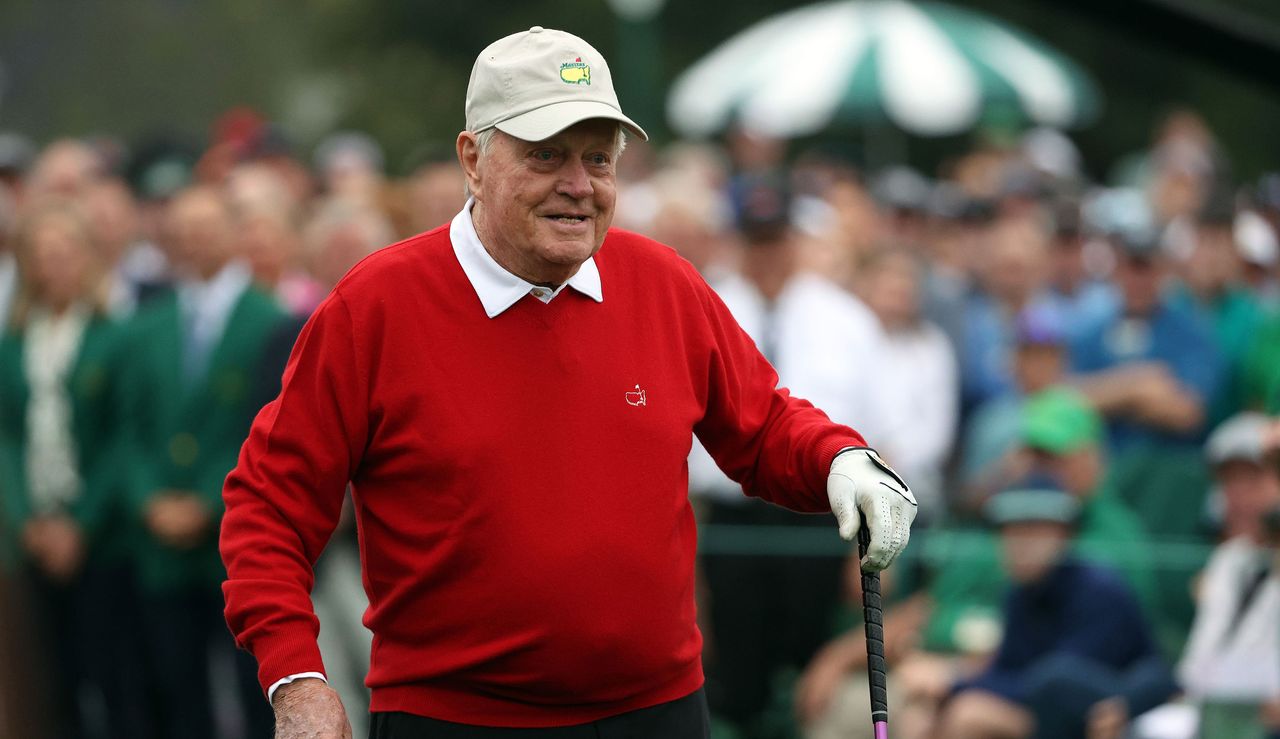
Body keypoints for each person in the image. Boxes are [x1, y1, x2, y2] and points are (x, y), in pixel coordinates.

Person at [220, 26, 917, 739]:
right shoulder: (376, 306)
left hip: (659, 713)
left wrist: (839, 458)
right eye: (546, 154)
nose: (578, 185)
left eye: (597, 158)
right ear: (473, 159)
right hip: (454, 721)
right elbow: (268, 505)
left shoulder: (663, 282)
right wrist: (295, 676)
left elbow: (762, 425)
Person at [686, 177, 889, 736]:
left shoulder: (845, 319)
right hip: (730, 517)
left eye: (776, 239)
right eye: (756, 240)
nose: (767, 254)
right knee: (736, 671)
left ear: (795, 240)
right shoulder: (705, 304)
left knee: (811, 665)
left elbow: (875, 435)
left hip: (820, 515)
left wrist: (869, 545)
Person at [124, 185, 286, 739]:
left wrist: (205, 502)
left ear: (234, 232)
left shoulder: (270, 319)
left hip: (235, 539)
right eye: (183, 229)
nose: (194, 240)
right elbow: (131, 426)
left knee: (251, 690)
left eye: (207, 226)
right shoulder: (148, 324)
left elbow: (264, 424)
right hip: (161, 545)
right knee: (175, 690)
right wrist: (150, 499)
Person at [0, 199, 152, 739]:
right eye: (42, 256)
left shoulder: (116, 336)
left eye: (65, 254)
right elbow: (9, 436)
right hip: (34, 534)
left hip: (102, 536)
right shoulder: (14, 342)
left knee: (112, 674)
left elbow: (122, 438)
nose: (54, 267)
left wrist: (79, 525)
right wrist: (28, 519)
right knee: (46, 681)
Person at [935, 477, 1177, 739]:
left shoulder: (1098, 590)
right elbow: (1009, 669)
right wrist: (953, 682)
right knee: (927, 708)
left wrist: (954, 682)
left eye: (1032, 531)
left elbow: (1052, 685)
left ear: (1064, 534)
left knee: (970, 714)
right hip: (1053, 717)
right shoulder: (1019, 593)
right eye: (1010, 532)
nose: (1018, 544)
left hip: (1117, 722)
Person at [1177, 413, 1280, 738]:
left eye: (1254, 480)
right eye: (1228, 482)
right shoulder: (1228, 560)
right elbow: (1195, 671)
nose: (1239, 497)